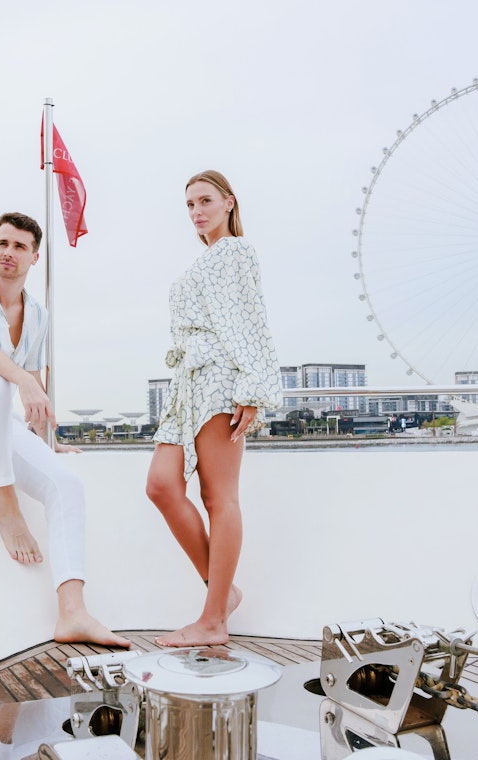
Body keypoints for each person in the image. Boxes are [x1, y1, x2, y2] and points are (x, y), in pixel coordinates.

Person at [0, 211, 130, 649]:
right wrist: (25, 380)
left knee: (67, 485)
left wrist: (48, 440)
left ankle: (73, 612)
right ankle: (5, 504)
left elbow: (33, 382)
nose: (7, 253)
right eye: (2, 243)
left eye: (18, 247)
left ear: (35, 257)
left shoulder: (36, 314)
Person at [145, 170, 281, 648]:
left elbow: (248, 322)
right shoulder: (207, 260)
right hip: (189, 383)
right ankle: (224, 595)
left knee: (218, 498)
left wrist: (251, 389)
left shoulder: (235, 251)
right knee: (161, 485)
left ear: (229, 203)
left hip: (221, 379)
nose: (196, 211)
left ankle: (213, 619)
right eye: (189, 205)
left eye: (205, 200)